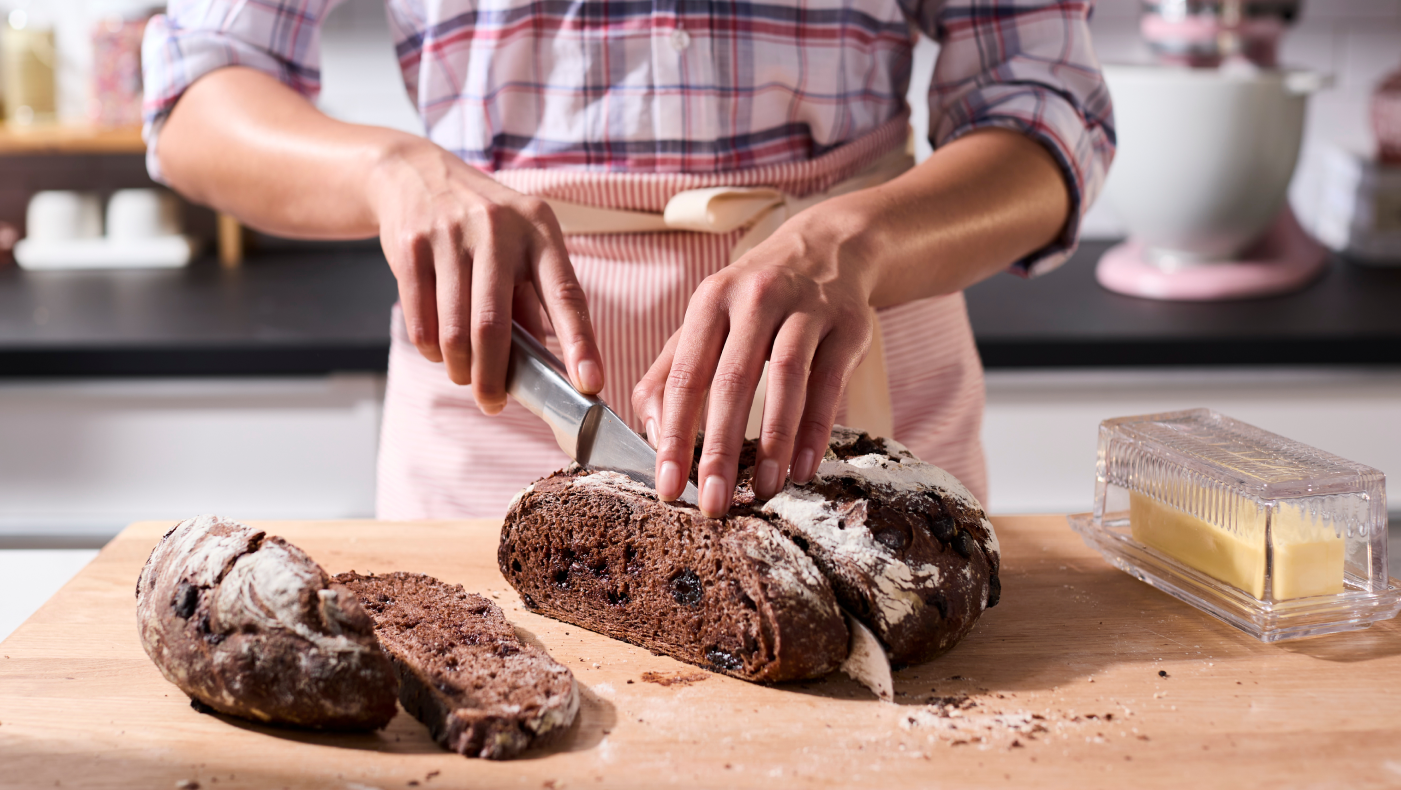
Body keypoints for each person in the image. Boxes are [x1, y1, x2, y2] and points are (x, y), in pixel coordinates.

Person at [142, 0, 1113, 520]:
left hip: (849, 374)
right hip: (507, 382)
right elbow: (195, 99)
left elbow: (1044, 113)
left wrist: (859, 240)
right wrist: (390, 170)